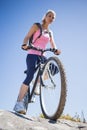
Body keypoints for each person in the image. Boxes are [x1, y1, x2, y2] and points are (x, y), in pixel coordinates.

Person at [13, 9, 61, 114]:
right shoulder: (36, 26)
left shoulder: (50, 32)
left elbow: (53, 44)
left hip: (43, 55)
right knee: (30, 75)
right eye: (50, 16)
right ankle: (19, 103)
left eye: (53, 17)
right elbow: (27, 37)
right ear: (45, 16)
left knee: (54, 69)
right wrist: (24, 44)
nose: (51, 18)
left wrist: (56, 49)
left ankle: (37, 82)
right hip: (32, 54)